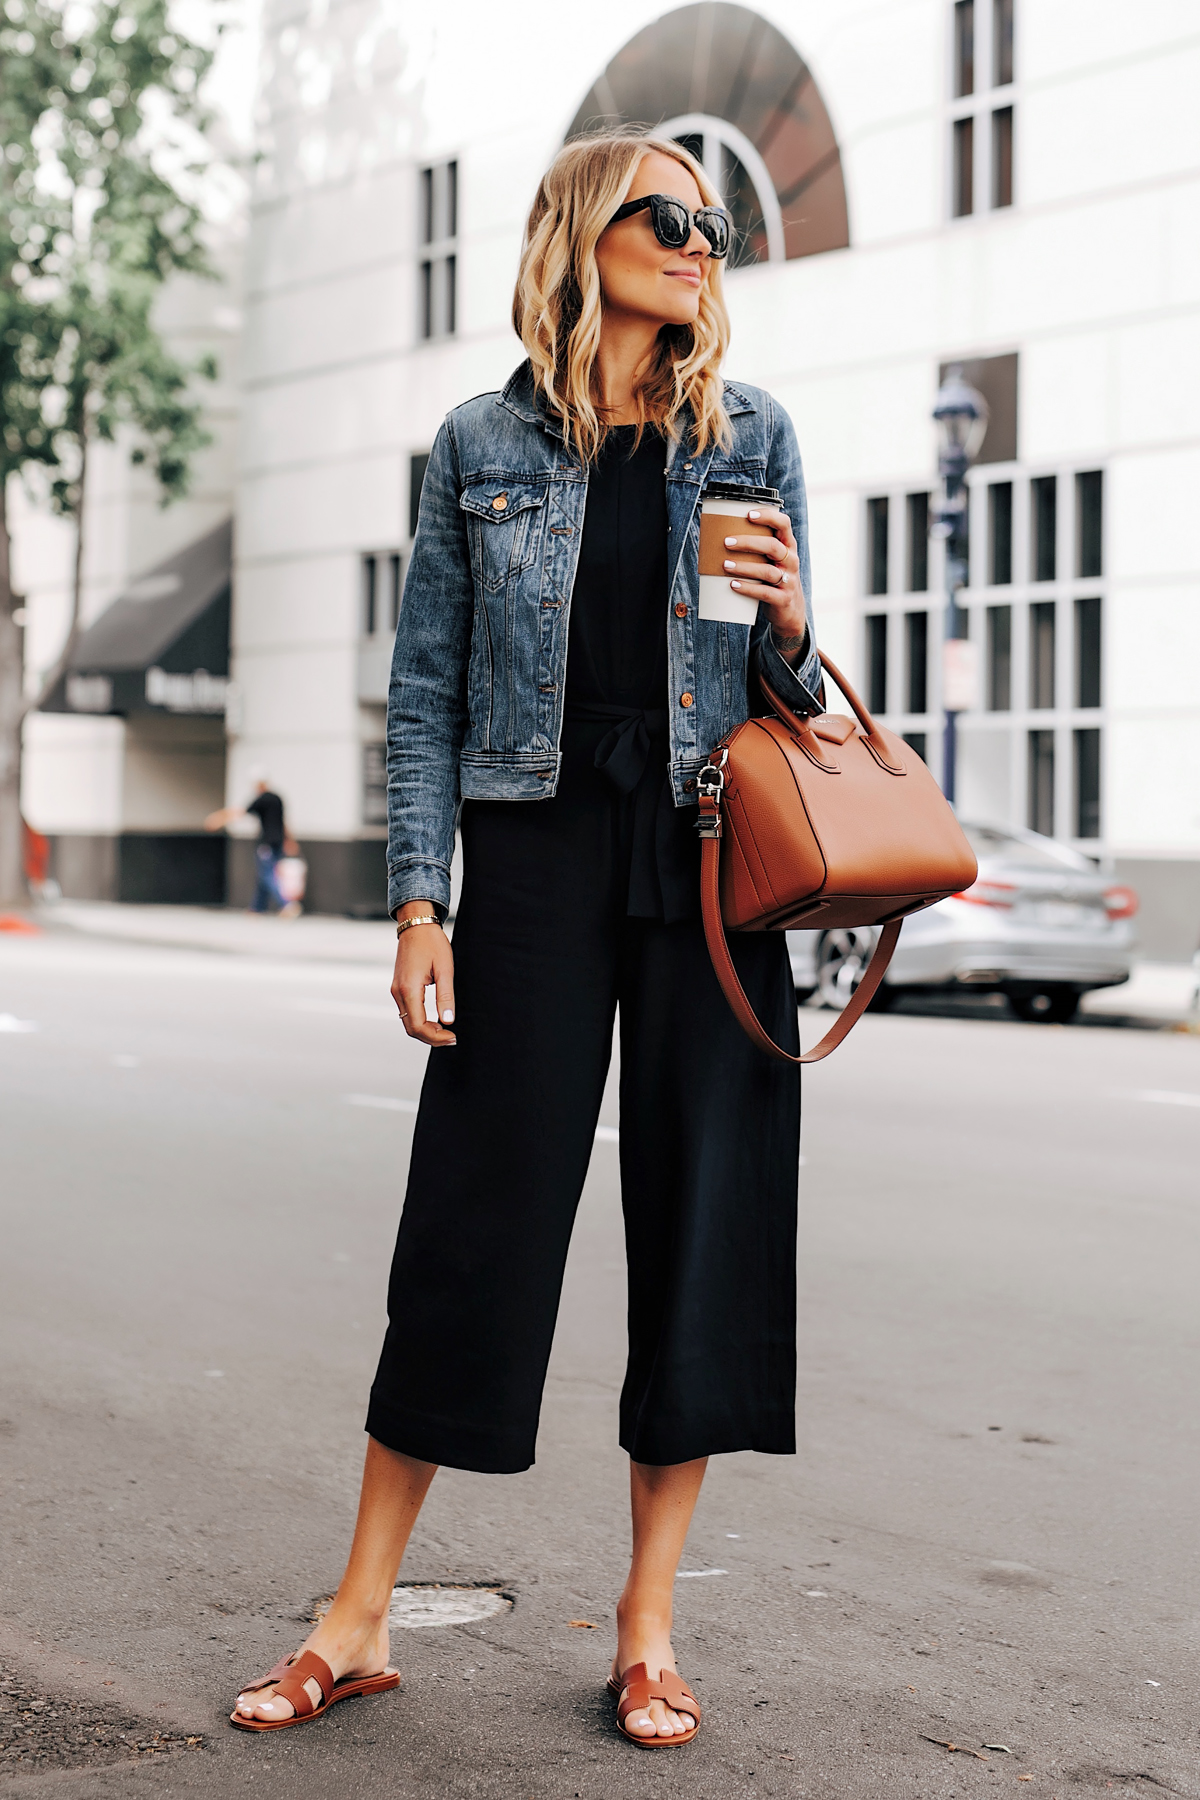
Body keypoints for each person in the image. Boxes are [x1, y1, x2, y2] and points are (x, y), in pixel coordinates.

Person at [230, 131, 821, 1748]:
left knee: (700, 1222)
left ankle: (646, 1627)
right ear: (586, 236)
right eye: (672, 217)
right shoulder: (480, 440)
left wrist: (785, 630)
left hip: (709, 856)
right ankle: (358, 1617)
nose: (704, 242)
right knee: (473, 1223)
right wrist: (421, 900)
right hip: (539, 853)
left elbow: (795, 699)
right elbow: (423, 692)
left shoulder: (750, 432)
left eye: (714, 226)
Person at [205, 779, 292, 914]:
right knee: (263, 873)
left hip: (266, 843)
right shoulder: (277, 798)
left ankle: (286, 904)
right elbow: (283, 821)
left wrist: (219, 818)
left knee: (267, 874)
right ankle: (257, 908)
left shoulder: (262, 799)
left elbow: (241, 812)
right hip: (278, 842)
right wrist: (289, 840)